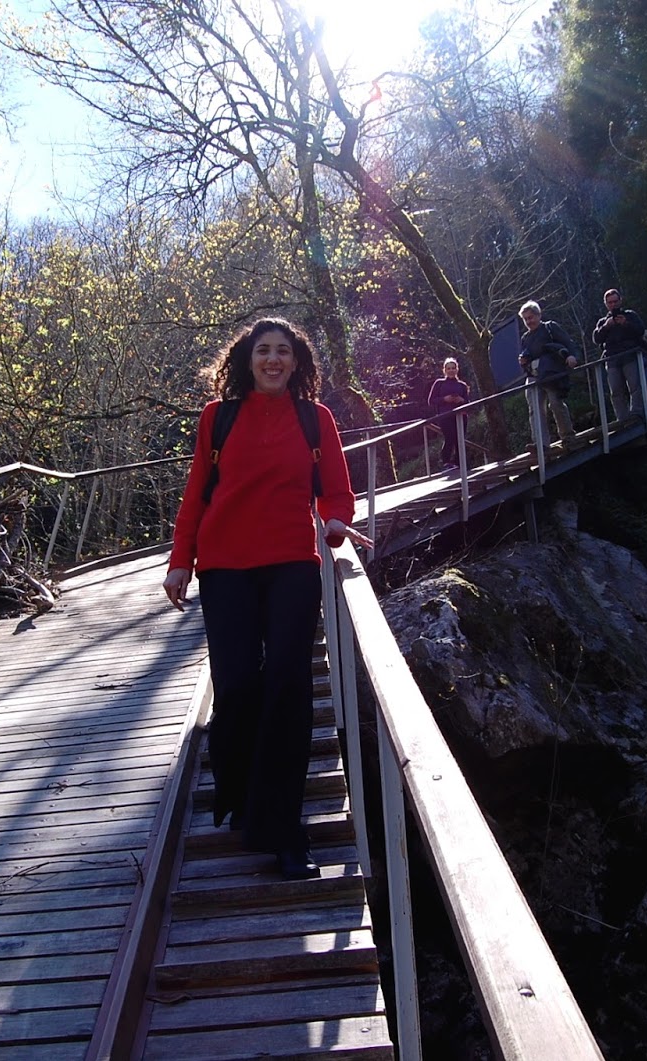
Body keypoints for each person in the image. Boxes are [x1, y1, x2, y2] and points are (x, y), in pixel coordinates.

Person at [162, 318, 372, 880]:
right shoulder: (219, 417)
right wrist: (181, 559)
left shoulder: (315, 418)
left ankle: (284, 831)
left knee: (287, 686)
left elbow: (337, 489)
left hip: (291, 565)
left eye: (283, 351)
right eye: (263, 351)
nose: (273, 360)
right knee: (236, 686)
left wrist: (335, 522)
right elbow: (196, 493)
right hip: (224, 565)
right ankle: (238, 794)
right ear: (247, 359)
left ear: (297, 362)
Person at [517, 300, 580, 449]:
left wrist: (573, 356)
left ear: (539, 315)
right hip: (533, 375)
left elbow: (568, 343)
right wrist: (523, 361)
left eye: (531, 317)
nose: (529, 321)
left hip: (551, 373)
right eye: (525, 319)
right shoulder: (525, 337)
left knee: (556, 404)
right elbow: (527, 356)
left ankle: (568, 436)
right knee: (535, 410)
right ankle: (541, 444)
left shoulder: (550, 328)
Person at [592, 288, 647, 423]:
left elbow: (640, 331)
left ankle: (637, 413)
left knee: (635, 386)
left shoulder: (630, 315)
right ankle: (622, 418)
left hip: (629, 355)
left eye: (615, 301)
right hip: (612, 358)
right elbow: (596, 339)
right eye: (610, 302)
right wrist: (606, 326)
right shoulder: (603, 322)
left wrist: (626, 323)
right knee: (615, 390)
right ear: (606, 304)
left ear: (620, 301)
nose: (613, 305)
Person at [426, 356, 471, 468]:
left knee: (459, 439)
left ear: (457, 369)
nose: (451, 370)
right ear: (444, 370)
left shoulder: (462, 385)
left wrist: (461, 400)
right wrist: (444, 399)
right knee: (449, 437)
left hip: (460, 416)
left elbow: (468, 403)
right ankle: (446, 462)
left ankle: (459, 463)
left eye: (453, 368)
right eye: (449, 368)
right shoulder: (439, 383)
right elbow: (431, 401)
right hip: (445, 416)